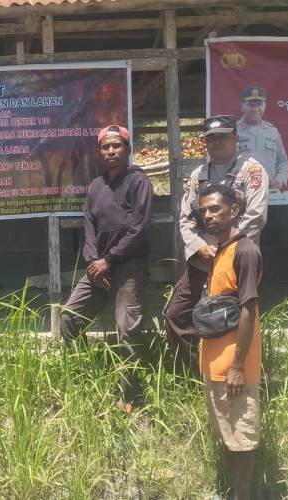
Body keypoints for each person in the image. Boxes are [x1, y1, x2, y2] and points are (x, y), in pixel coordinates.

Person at [59, 125, 153, 411]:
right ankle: (93, 375)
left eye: (117, 146)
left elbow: (139, 229)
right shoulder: (96, 186)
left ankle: (129, 396)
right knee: (68, 319)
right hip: (98, 268)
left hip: (128, 266)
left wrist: (109, 260)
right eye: (105, 147)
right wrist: (93, 264)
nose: (111, 151)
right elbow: (89, 228)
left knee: (127, 329)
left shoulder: (139, 182)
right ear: (99, 152)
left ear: (127, 149)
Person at [164, 115, 268, 370]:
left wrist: (224, 248)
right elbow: (186, 218)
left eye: (223, 136)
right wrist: (198, 246)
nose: (217, 141)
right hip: (203, 257)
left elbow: (256, 217)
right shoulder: (199, 175)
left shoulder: (252, 171)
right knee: (176, 314)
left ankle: (242, 372)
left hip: (236, 260)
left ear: (235, 138)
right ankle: (196, 373)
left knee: (235, 316)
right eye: (211, 138)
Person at [197, 184, 262, 500]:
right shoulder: (219, 250)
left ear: (234, 211)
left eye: (215, 209)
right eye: (204, 210)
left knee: (242, 441)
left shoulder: (245, 251)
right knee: (227, 438)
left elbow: (248, 308)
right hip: (216, 368)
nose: (208, 215)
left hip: (235, 371)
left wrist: (237, 366)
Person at [236, 86, 288, 191]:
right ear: (242, 106)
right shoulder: (233, 131)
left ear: (265, 106)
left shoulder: (272, 131)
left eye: (259, 104)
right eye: (251, 105)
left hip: (269, 191)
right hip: (241, 192)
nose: (255, 109)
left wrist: (280, 180)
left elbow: (282, 160)